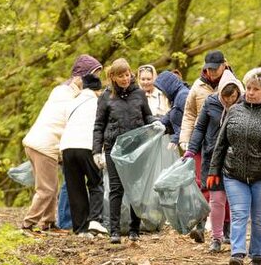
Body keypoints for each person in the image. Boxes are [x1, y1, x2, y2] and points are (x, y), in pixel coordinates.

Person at [204, 68, 261, 265]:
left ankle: (257, 257)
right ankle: (237, 255)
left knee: (259, 218)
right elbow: (221, 143)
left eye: (255, 89)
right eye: (248, 88)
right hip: (234, 174)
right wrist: (214, 170)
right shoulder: (234, 111)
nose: (250, 92)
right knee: (239, 214)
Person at [21, 56, 98, 232]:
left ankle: (48, 222)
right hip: (45, 145)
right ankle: (28, 223)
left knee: (51, 186)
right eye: (89, 78)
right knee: (46, 189)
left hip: (36, 143)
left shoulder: (60, 91)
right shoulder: (70, 96)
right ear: (79, 78)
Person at [93, 58, 155, 244]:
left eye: (127, 74)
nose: (125, 78)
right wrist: (97, 150)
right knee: (116, 188)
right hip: (114, 148)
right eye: (121, 76)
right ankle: (114, 231)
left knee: (136, 188)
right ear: (112, 77)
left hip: (137, 148)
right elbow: (99, 125)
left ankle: (135, 229)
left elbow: (147, 116)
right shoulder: (106, 97)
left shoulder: (139, 94)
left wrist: (157, 122)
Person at [185, 73, 243, 253]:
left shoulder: (244, 105)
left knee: (236, 202)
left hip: (236, 159)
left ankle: (234, 237)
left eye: (233, 96)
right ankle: (216, 238)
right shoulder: (210, 103)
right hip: (212, 158)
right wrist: (191, 150)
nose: (229, 101)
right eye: (226, 97)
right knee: (216, 200)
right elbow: (200, 127)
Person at [59, 72, 107, 237]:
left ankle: (80, 229)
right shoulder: (99, 102)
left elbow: (65, 121)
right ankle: (95, 221)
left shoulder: (71, 102)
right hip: (87, 146)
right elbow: (102, 126)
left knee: (75, 188)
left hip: (67, 147)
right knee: (95, 183)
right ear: (97, 90)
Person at [180, 50, 227, 152]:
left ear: (223, 66)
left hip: (224, 141)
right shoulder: (198, 86)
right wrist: (185, 138)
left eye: (215, 68)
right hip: (200, 140)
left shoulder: (234, 85)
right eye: (209, 68)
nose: (211, 71)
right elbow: (189, 113)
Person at [153, 70, 189, 147]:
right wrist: (161, 122)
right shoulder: (177, 96)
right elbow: (173, 111)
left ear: (168, 86)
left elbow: (190, 121)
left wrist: (176, 138)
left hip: (191, 143)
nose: (162, 93)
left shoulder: (183, 96)